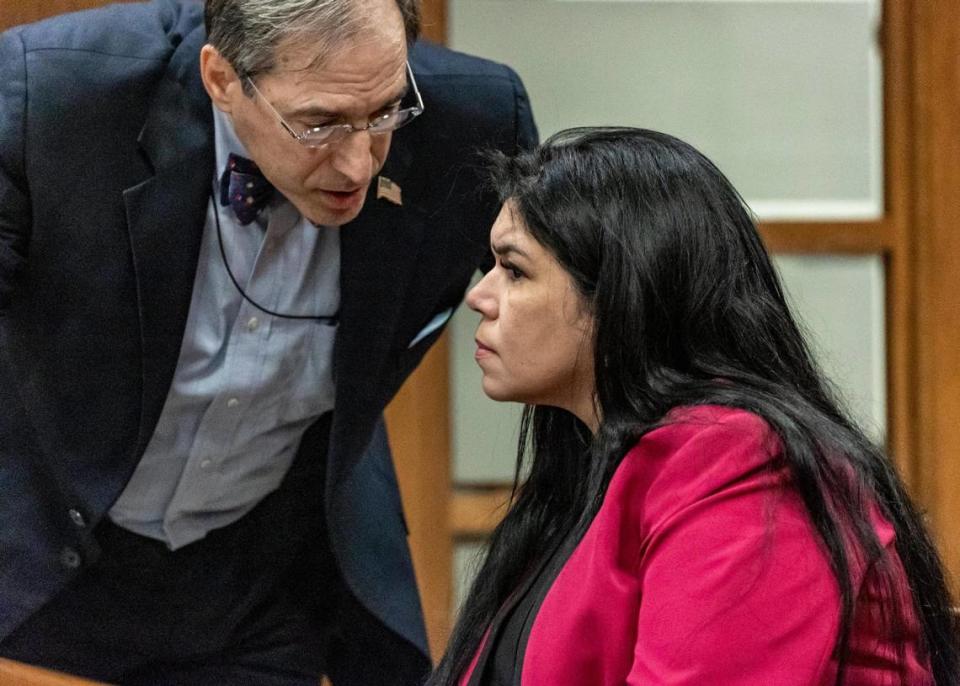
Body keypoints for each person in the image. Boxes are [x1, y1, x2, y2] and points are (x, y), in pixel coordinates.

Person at [0, 0, 536, 683]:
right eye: (319, 124)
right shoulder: (54, 94)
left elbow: (572, 330)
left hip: (263, 589)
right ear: (221, 79)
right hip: (39, 563)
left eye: (383, 115)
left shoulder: (476, 118)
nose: (357, 166)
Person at [432, 127, 959, 685]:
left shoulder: (744, 461)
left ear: (618, 293)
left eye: (514, 270)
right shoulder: (585, 465)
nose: (478, 296)